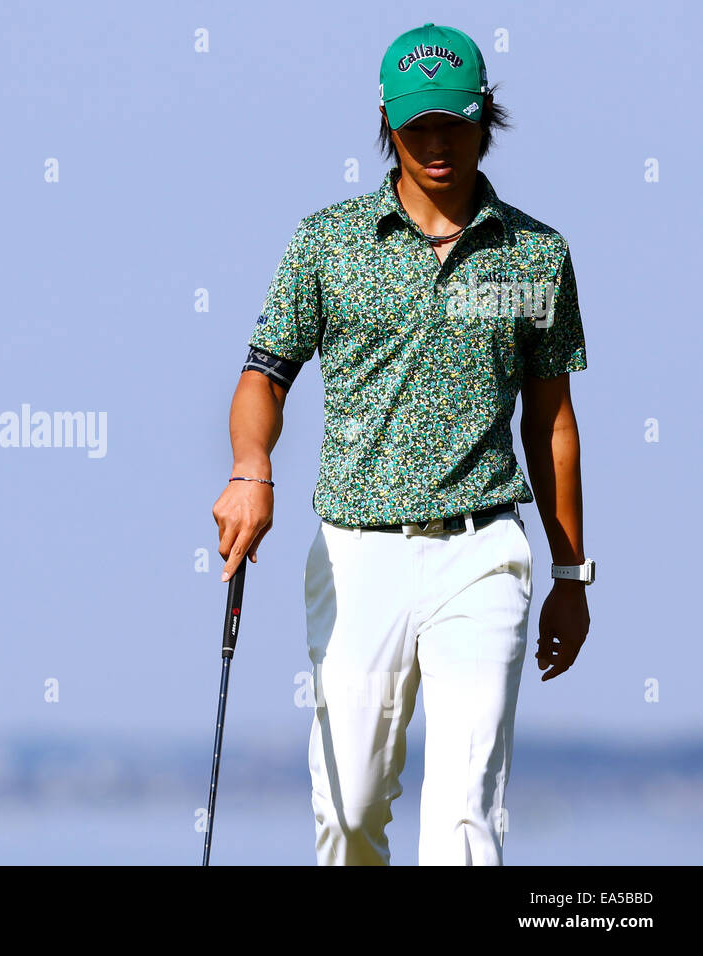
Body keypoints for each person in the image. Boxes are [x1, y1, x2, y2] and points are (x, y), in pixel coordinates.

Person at [211, 22, 594, 865]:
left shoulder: (536, 255)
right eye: (417, 127)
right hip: (356, 556)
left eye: (453, 124)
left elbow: (552, 420)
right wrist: (251, 467)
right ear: (386, 123)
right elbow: (262, 377)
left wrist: (571, 574)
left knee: (464, 816)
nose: (436, 145)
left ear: (485, 119)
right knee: (349, 812)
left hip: (483, 551)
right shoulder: (328, 242)